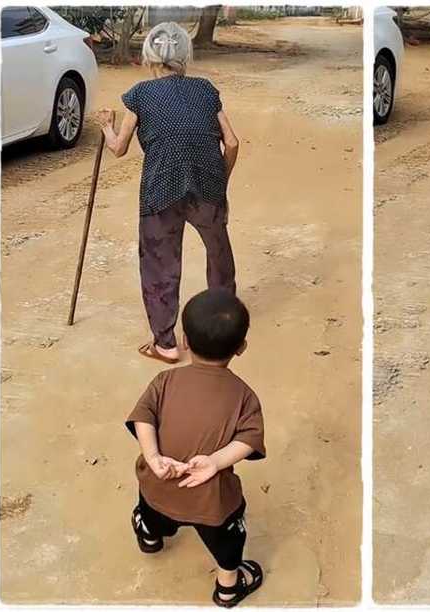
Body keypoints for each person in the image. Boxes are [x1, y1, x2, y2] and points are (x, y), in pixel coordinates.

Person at [97, 21, 241, 364]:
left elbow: (118, 148)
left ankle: (165, 343)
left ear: (149, 57)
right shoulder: (205, 89)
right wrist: (220, 179)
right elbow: (232, 142)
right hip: (207, 183)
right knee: (219, 255)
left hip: (161, 188)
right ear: (184, 56)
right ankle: (224, 330)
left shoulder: (140, 94)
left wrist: (105, 124)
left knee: (161, 262)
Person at [126, 288, 265, 607]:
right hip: (211, 502)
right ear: (241, 348)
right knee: (228, 542)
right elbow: (249, 439)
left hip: (158, 485)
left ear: (185, 341)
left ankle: (149, 535)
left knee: (150, 508)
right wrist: (215, 462)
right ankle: (228, 589)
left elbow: (143, 416)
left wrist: (154, 456)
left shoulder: (164, 381)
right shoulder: (244, 397)